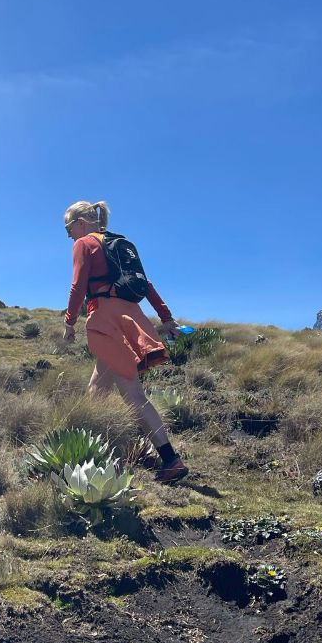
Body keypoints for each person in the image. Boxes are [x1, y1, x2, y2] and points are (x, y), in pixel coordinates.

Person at [62, 200, 189, 483]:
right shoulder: (119, 244)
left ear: (80, 223)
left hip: (106, 321)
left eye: (68, 228)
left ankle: (171, 460)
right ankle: (93, 456)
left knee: (132, 395)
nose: (69, 235)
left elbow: (78, 285)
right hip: (130, 316)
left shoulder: (84, 244)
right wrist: (165, 316)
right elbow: (146, 284)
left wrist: (69, 322)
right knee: (96, 389)